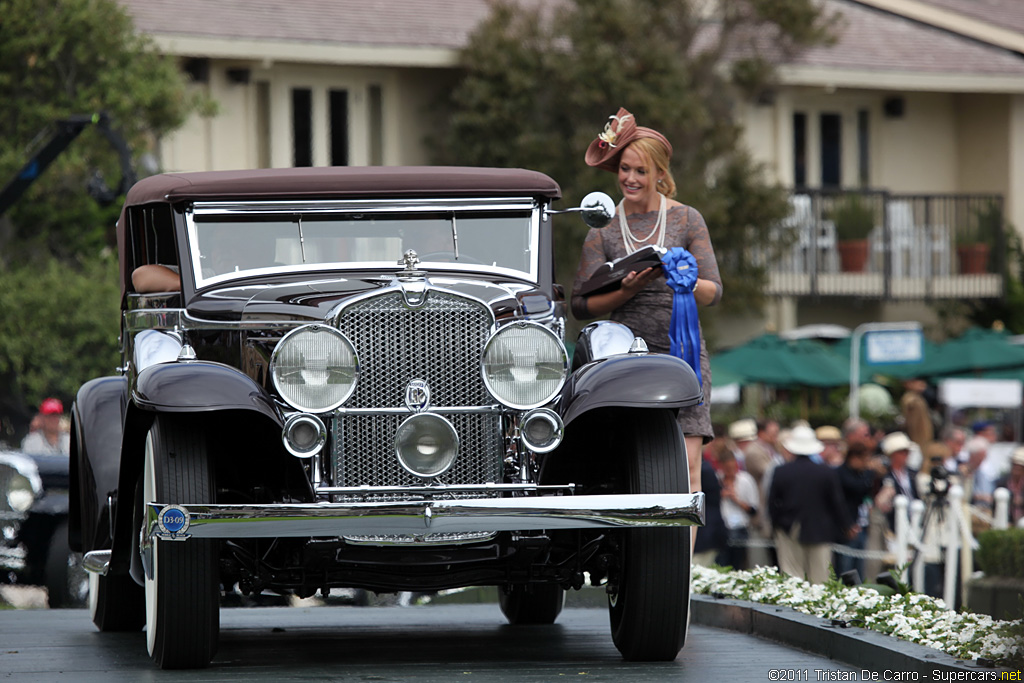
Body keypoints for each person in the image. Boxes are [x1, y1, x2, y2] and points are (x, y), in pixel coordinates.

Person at [572, 107, 723, 502]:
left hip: (682, 350)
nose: (630, 178)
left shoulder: (687, 220)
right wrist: (627, 289)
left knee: (689, 467)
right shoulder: (602, 226)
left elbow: (714, 291)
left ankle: (683, 565)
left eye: (641, 171)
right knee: (630, 464)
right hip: (624, 356)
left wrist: (681, 281)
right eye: (624, 169)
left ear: (660, 173)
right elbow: (580, 305)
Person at [767, 425, 853, 584]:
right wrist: (846, 525)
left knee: (792, 576)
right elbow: (837, 502)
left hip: (789, 528)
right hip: (820, 529)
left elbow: (772, 503)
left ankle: (792, 607)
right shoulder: (826, 472)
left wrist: (776, 524)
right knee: (820, 577)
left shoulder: (781, 471)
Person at [834, 440, 877, 581]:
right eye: (864, 460)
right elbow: (856, 488)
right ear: (854, 458)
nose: (866, 464)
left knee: (859, 568)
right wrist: (871, 474)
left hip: (861, 524)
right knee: (846, 569)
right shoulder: (841, 473)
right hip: (847, 528)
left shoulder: (862, 474)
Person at [715, 449, 760, 570]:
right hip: (721, 528)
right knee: (720, 564)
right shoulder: (715, 480)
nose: (731, 472)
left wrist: (737, 500)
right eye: (727, 468)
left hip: (740, 528)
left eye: (733, 467)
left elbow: (753, 510)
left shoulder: (746, 480)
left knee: (738, 565)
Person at [900, 378, 934, 452]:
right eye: (917, 381)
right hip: (916, 439)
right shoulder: (910, 399)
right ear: (908, 384)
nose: (922, 383)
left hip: (924, 438)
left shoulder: (919, 398)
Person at [995, 447, 1024, 525]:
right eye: (1015, 465)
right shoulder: (1002, 481)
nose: (1016, 468)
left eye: (1019, 466)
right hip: (1006, 519)